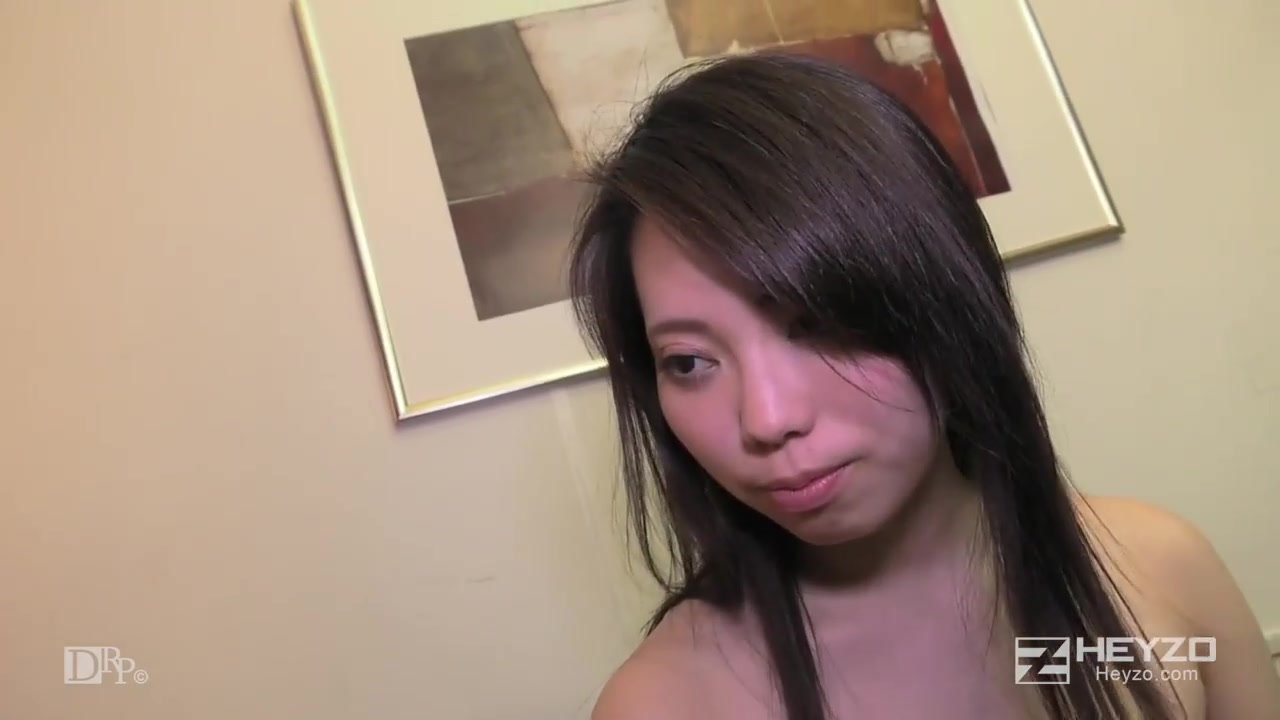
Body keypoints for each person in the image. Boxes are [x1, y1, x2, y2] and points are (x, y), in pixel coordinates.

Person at [565, 52, 1280, 720]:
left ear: (943, 298)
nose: (768, 418)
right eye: (690, 362)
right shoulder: (667, 701)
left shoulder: (1157, 569)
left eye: (816, 323)